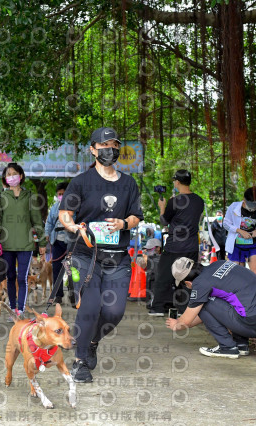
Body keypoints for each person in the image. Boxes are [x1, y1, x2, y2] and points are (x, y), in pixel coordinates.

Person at [59, 126, 143, 383]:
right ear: (92, 150)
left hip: (117, 258)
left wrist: (123, 224)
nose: (110, 150)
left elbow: (136, 216)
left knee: (114, 312)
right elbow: (66, 213)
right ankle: (80, 360)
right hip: (86, 255)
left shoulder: (129, 183)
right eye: (104, 145)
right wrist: (72, 226)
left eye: (115, 145)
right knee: (91, 306)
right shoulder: (81, 182)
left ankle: (93, 340)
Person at [165, 258, 256, 358]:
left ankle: (227, 347)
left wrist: (177, 324)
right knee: (234, 299)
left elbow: (187, 320)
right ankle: (241, 345)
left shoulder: (201, 284)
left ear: (187, 283)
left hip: (254, 323)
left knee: (204, 302)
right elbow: (213, 313)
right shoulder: (218, 264)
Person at [0, 162, 46, 317]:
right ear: (4, 178)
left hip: (25, 245)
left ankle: (20, 310)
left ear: (21, 176)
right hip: (6, 245)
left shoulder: (30, 197)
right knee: (10, 277)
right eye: (8, 174)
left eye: (14, 173)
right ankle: (12, 309)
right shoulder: (0, 198)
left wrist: (42, 243)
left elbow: (37, 221)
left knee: (22, 278)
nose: (12, 177)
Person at [150, 169, 204, 316]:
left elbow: (164, 221)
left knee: (164, 275)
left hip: (174, 245)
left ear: (177, 182)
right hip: (191, 245)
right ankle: (184, 309)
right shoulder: (199, 201)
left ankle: (158, 308)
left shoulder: (174, 202)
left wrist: (162, 207)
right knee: (188, 276)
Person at [223, 187, 256, 277]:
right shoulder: (233, 207)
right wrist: (239, 231)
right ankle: (239, 291)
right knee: (236, 275)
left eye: (255, 205)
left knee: (255, 273)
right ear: (244, 200)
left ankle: (255, 291)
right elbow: (225, 224)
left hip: (254, 245)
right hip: (236, 245)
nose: (253, 208)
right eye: (251, 205)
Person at [44, 181, 70, 304]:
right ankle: (58, 294)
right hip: (56, 241)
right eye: (59, 194)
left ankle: (73, 294)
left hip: (71, 241)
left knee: (71, 269)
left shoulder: (75, 206)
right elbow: (49, 223)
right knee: (57, 268)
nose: (61, 196)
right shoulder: (54, 207)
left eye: (63, 194)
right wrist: (47, 234)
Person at [135, 238, 162, 309]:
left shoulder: (160, 258)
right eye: (147, 249)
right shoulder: (148, 257)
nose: (147, 251)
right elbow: (141, 264)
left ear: (158, 248)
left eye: (150, 249)